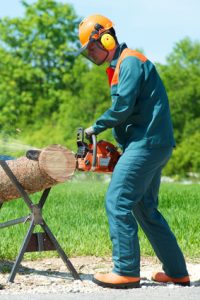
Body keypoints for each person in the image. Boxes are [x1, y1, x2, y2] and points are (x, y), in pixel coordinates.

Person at [77, 14, 190, 288]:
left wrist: (94, 129)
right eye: (88, 52)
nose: (91, 54)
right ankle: (177, 272)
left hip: (146, 144)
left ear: (106, 37)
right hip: (150, 143)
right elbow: (132, 112)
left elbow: (122, 107)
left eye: (93, 47)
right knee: (145, 209)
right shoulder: (121, 66)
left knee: (117, 201)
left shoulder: (129, 62)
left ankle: (126, 270)